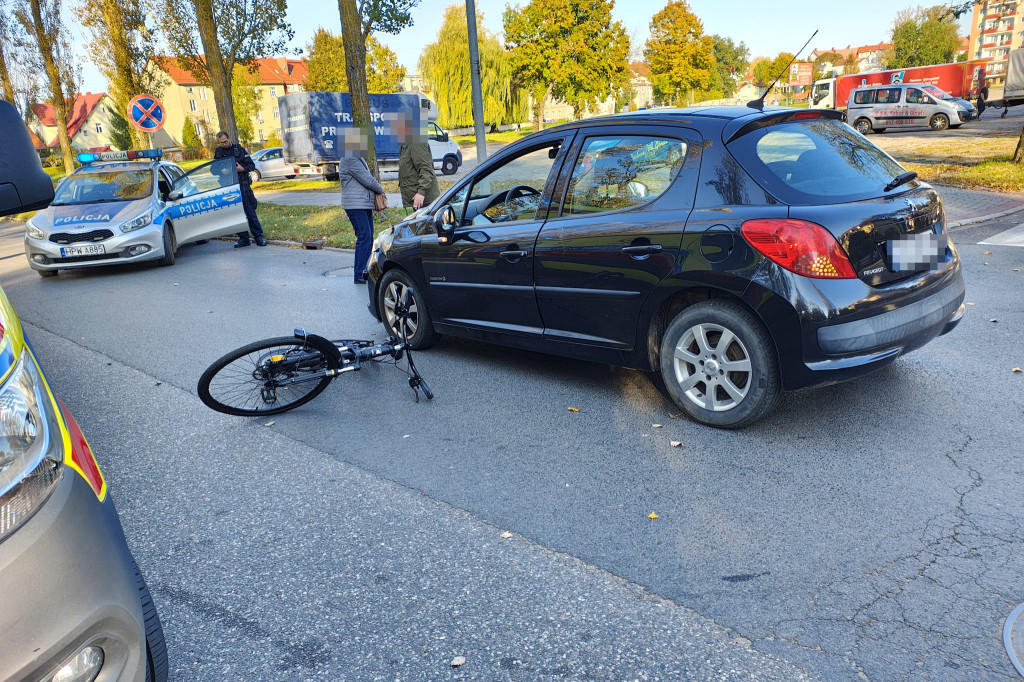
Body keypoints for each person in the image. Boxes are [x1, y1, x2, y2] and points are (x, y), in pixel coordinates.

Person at [338, 126, 384, 284]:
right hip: (355, 205)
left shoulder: (356, 157)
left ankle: (364, 270)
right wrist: (381, 189)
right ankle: (359, 273)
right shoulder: (350, 158)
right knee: (364, 236)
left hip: (362, 203)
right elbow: (367, 179)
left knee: (368, 236)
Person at [213, 131, 266, 248]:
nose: (224, 144)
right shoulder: (219, 152)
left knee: (250, 212)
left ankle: (259, 237)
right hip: (228, 187)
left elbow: (252, 166)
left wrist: (243, 169)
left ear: (229, 138)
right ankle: (243, 238)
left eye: (225, 141)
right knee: (235, 213)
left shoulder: (239, 150)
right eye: (221, 142)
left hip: (242, 185)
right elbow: (212, 169)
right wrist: (221, 171)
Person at [392, 113, 440, 211]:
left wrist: (421, 193)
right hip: (417, 202)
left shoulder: (416, 142)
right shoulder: (405, 145)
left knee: (426, 226)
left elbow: (426, 169)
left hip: (426, 202)